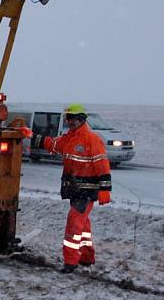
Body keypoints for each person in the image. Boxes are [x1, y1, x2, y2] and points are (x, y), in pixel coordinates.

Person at [22, 104, 112, 273]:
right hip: (75, 190)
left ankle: (70, 262)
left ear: (80, 119)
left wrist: (105, 189)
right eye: (67, 119)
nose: (68, 122)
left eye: (71, 119)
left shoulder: (91, 140)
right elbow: (52, 144)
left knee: (74, 224)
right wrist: (32, 135)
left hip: (86, 191)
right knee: (83, 226)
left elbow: (102, 165)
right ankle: (86, 257)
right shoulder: (69, 138)